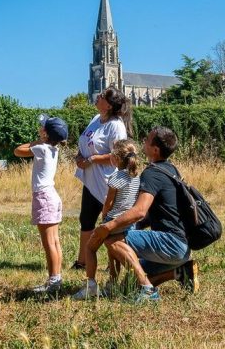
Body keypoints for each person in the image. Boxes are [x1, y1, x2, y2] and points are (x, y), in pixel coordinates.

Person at [88, 126, 198, 303]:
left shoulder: (152, 174)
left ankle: (148, 291)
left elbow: (139, 212)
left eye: (147, 140)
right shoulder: (170, 169)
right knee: (128, 287)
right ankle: (180, 272)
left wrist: (108, 226)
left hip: (170, 244)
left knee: (111, 239)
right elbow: (153, 213)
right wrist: (134, 229)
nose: (143, 142)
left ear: (155, 149)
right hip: (182, 247)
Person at [72, 87, 132, 270]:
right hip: (91, 181)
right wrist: (79, 156)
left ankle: (115, 262)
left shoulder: (116, 125)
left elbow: (118, 156)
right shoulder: (95, 120)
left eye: (103, 96)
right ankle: (82, 261)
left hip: (108, 183)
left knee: (110, 223)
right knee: (86, 219)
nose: (98, 96)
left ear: (108, 105)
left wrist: (91, 159)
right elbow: (85, 143)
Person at [73, 139, 140, 299]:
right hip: (127, 222)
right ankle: (112, 284)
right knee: (113, 254)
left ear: (115, 159)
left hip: (112, 221)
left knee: (90, 248)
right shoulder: (135, 176)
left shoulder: (115, 178)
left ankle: (90, 284)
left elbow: (108, 203)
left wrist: (104, 217)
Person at [14, 114, 69, 294]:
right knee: (55, 241)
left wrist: (38, 140)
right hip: (52, 196)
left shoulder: (43, 148)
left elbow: (17, 150)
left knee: (49, 243)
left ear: (46, 135)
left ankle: (53, 283)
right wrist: (43, 138)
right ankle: (56, 279)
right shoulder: (53, 149)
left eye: (43, 128)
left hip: (44, 197)